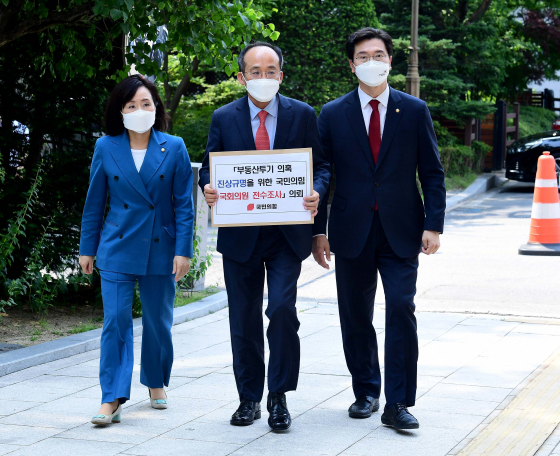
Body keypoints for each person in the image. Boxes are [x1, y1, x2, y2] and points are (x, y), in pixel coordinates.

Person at [312, 28, 446, 430]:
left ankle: (398, 402)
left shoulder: (415, 110)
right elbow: (322, 175)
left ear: (390, 60)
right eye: (363, 56)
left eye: (379, 55)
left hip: (402, 228)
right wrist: (319, 231)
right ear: (352, 64)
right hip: (351, 229)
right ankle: (366, 391)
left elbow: (433, 173)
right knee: (355, 314)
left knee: (402, 307)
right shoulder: (333, 113)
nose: (372, 62)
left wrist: (433, 225)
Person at [199, 42, 330, 431]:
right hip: (241, 234)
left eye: (270, 71)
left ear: (281, 76)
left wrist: (317, 191)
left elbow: (320, 166)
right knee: (243, 318)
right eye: (254, 71)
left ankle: (279, 396)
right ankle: (249, 398)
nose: (263, 78)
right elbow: (210, 166)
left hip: (287, 235)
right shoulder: (224, 117)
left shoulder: (303, 115)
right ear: (241, 77)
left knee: (283, 312)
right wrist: (209, 187)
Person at [79, 74, 194, 425]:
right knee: (115, 322)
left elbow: (184, 205)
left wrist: (183, 250)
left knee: (159, 322)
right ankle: (111, 397)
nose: (140, 110)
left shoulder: (173, 146)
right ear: (120, 110)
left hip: (162, 249)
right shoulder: (105, 147)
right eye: (132, 105)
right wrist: (87, 247)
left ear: (156, 107)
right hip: (116, 246)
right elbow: (94, 202)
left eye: (146, 103)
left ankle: (156, 381)